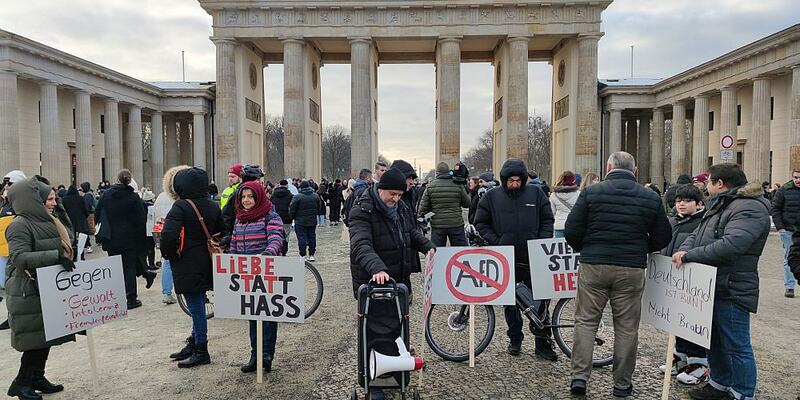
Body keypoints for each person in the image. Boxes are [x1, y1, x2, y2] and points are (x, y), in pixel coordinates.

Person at [564, 151, 671, 397]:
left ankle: (579, 377)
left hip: (594, 265)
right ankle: (622, 384)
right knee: (626, 327)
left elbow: (572, 229)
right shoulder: (650, 196)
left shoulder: (591, 192)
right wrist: (641, 250)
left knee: (586, 321)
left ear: (608, 166)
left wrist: (586, 248)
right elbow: (663, 235)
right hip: (631, 268)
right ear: (634, 170)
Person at [672, 163, 770, 400]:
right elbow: (696, 234)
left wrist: (690, 255)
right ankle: (719, 384)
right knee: (713, 340)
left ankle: (743, 393)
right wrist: (684, 249)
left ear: (720, 184)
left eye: (709, 182)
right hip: (712, 285)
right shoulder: (721, 205)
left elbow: (732, 245)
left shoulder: (749, 208)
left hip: (732, 286)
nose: (705, 186)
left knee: (737, 346)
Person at [348, 167, 435, 400]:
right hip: (373, 280)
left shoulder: (401, 205)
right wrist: (377, 268)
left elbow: (410, 232)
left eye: (399, 194)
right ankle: (374, 382)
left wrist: (427, 246)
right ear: (380, 189)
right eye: (392, 195)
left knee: (397, 327)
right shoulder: (362, 208)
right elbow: (360, 244)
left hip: (398, 280)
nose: (395, 199)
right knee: (374, 330)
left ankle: (396, 369)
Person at [474, 159, 557, 360]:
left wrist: (541, 240)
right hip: (506, 257)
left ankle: (543, 343)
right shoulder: (492, 197)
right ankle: (515, 339)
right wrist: (496, 241)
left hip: (533, 256)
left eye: (518, 180)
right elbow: (480, 222)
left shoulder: (536, 193)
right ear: (504, 180)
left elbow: (547, 219)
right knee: (510, 303)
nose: (514, 184)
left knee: (541, 300)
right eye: (510, 180)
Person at [4, 176, 76, 399]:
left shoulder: (48, 220)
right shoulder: (19, 225)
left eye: (55, 199)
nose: (55, 203)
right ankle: (22, 383)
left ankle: (37, 376)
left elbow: (67, 236)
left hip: (45, 287)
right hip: (28, 289)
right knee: (35, 341)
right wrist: (55, 256)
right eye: (50, 199)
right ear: (34, 200)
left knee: (46, 337)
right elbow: (19, 257)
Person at [160, 167, 223, 369]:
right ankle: (195, 341)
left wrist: (169, 254)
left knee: (196, 306)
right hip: (208, 260)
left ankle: (201, 349)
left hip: (187, 261)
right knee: (198, 303)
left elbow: (169, 236)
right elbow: (223, 230)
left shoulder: (180, 206)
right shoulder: (213, 205)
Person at [228, 180, 286, 373]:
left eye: (250, 196)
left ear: (258, 196)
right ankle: (255, 354)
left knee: (268, 315)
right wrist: (231, 262)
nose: (246, 200)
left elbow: (276, 237)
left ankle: (266, 355)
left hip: (265, 270)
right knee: (252, 316)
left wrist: (269, 252)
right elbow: (235, 244)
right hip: (246, 274)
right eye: (243, 197)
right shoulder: (239, 218)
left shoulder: (270, 215)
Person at [658, 184, 710, 385]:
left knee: (691, 321)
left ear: (698, 204)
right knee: (677, 320)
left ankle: (698, 362)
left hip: (691, 280)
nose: (681, 204)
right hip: (672, 277)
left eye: (687, 201)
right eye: (679, 200)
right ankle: (680, 355)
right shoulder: (671, 220)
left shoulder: (701, 223)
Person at [95, 169, 155, 309]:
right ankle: (131, 298)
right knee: (129, 268)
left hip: (111, 238)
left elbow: (97, 213)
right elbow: (141, 220)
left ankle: (118, 297)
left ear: (117, 179)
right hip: (129, 238)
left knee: (116, 269)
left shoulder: (106, 195)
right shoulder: (133, 198)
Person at [154, 165, 190, 305]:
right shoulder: (182, 198)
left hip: (164, 231)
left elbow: (156, 215)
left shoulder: (161, 197)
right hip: (180, 232)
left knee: (167, 262)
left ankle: (167, 292)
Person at [418, 161, 471, 246]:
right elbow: (467, 203)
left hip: (438, 225)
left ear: (437, 173)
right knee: (459, 250)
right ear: (448, 171)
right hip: (456, 223)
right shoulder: (458, 185)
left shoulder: (430, 187)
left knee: (437, 252)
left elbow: (422, 208)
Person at [0, 170, 27, 331]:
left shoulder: (21, 203)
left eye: (9, 183)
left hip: (14, 249)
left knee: (15, 287)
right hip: (3, 249)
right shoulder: (6, 202)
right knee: (8, 285)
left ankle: (14, 316)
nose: (5, 186)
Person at [769, 168, 800, 298]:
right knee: (789, 258)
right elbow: (775, 209)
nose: (798, 180)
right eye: (796, 177)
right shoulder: (784, 190)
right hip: (789, 230)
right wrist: (780, 227)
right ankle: (790, 286)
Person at [289, 180, 323, 261]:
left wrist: (293, 217)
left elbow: (292, 209)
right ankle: (311, 254)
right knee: (312, 237)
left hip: (300, 221)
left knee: (301, 238)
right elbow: (319, 207)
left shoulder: (297, 197)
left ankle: (302, 255)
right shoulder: (315, 196)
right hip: (312, 220)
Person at [60, 185, 90, 260]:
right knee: (80, 243)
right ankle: (81, 257)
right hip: (81, 223)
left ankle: (72, 257)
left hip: (69, 224)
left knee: (71, 242)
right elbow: (86, 211)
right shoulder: (81, 199)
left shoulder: (64, 200)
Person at [550, 170, 579, 238]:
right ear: (573, 180)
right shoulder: (578, 194)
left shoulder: (554, 195)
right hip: (573, 225)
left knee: (560, 248)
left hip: (559, 225)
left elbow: (552, 212)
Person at [271, 179, 294, 254]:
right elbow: (292, 207)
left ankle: (277, 249)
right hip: (287, 218)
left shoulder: (273, 195)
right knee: (286, 235)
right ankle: (284, 250)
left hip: (275, 218)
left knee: (276, 234)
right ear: (287, 185)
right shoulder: (290, 195)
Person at [78, 182, 96, 254]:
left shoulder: (87, 195)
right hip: (90, 212)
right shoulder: (89, 194)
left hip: (89, 213)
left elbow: (87, 205)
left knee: (90, 227)